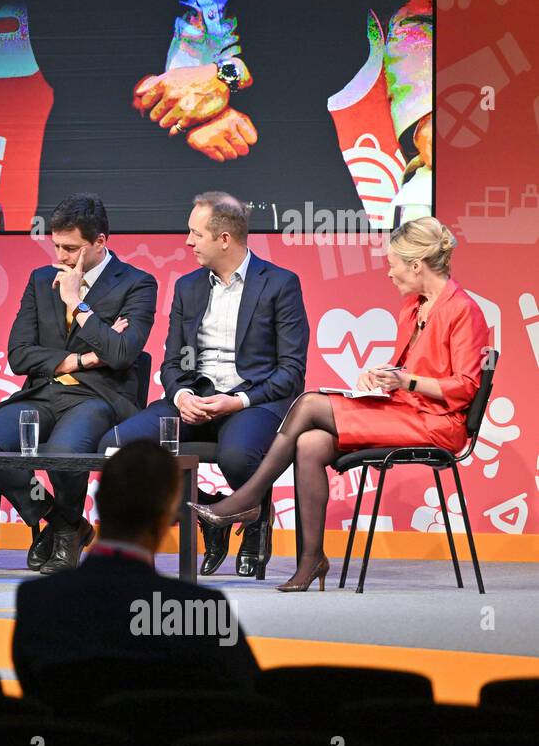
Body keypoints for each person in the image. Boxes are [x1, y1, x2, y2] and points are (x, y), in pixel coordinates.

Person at [192, 216, 490, 592]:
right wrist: (384, 376)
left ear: (416, 265)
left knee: (311, 404)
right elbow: (408, 371)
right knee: (309, 442)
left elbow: (464, 387)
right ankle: (311, 559)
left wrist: (405, 380)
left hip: (438, 424)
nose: (388, 272)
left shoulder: (463, 310)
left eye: (393, 263)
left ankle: (247, 499)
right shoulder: (413, 306)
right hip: (407, 412)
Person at [101, 192, 308, 579]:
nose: (187, 241)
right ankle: (213, 512)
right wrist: (181, 395)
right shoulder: (188, 287)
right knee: (115, 447)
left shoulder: (280, 284)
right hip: (193, 399)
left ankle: (255, 519)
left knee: (237, 457)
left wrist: (238, 401)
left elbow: (292, 371)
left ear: (225, 238)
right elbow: (172, 361)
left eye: (196, 234)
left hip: (252, 401)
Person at [0, 194, 157, 575]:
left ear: (100, 243)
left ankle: (64, 533)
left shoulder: (137, 284)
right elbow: (19, 354)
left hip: (98, 396)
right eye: (57, 245)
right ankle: (61, 519)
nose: (62, 256)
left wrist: (77, 303)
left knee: (64, 452)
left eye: (71, 248)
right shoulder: (42, 280)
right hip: (43, 393)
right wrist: (83, 359)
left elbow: (123, 353)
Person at [13, 441, 258, 700]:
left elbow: (35, 696)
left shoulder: (38, 600)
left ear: (98, 501)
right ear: (170, 517)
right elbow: (248, 698)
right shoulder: (202, 610)